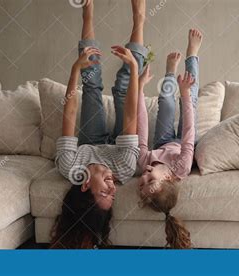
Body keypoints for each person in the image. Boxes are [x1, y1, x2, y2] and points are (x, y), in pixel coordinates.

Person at [50, 0, 148, 249]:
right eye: (113, 193)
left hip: (91, 144)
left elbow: (70, 112)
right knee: (124, 85)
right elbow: (129, 116)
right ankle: (139, 18)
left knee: (91, 85)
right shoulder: (124, 168)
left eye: (104, 191)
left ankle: (87, 14)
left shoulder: (69, 166)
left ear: (84, 185)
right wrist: (135, 67)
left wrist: (74, 70)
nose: (112, 186)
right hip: (116, 148)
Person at [137, 29, 203, 249]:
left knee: (165, 103)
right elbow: (188, 132)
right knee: (190, 94)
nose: (144, 176)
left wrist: (139, 91)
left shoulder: (145, 162)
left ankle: (169, 72)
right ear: (169, 180)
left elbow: (142, 129)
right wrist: (184, 94)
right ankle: (192, 54)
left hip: (163, 142)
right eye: (151, 181)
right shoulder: (181, 168)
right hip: (186, 140)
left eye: (142, 184)